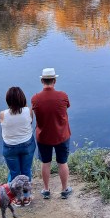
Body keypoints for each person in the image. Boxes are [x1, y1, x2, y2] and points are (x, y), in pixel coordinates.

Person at [31, 67, 72, 199]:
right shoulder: (63, 96)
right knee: (62, 162)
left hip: (43, 137)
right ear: (54, 80)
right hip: (62, 135)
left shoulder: (35, 99)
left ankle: (46, 190)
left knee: (45, 162)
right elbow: (66, 108)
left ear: (42, 81)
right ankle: (65, 189)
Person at [0, 86, 35, 206]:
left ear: (8, 100)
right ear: (22, 99)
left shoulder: (2, 114)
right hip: (27, 145)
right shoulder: (29, 111)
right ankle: (27, 197)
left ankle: (16, 198)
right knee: (26, 171)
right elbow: (30, 123)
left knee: (14, 172)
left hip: (10, 147)